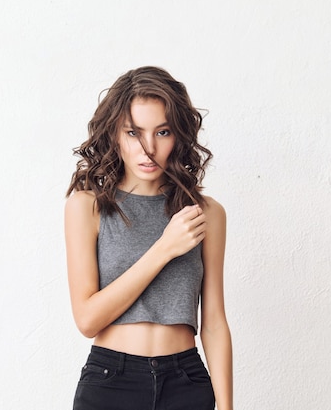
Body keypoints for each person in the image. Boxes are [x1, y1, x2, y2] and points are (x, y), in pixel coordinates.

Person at [65, 66, 233, 410]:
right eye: (134, 133)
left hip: (186, 381)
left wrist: (227, 407)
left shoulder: (206, 214)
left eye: (163, 131)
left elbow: (213, 322)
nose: (149, 148)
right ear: (114, 134)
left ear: (178, 135)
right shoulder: (88, 207)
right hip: (112, 382)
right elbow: (87, 319)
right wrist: (164, 248)